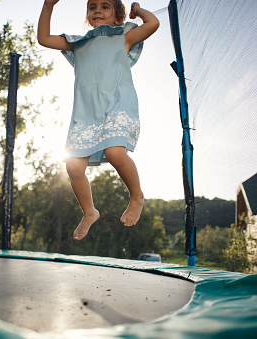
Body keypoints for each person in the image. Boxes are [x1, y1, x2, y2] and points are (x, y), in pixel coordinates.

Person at [37, 0, 159, 240]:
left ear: (117, 17)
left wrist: (139, 12)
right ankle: (89, 212)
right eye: (92, 7)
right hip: (86, 113)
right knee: (73, 166)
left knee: (115, 152)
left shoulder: (122, 37)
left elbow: (153, 23)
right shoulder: (77, 43)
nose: (97, 11)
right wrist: (48, 5)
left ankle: (136, 196)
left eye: (105, 7)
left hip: (116, 105)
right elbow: (43, 39)